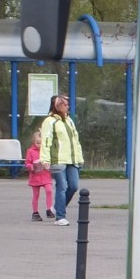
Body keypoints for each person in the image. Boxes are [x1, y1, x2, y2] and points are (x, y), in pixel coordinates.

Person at [39, 93, 85, 226]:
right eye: (64, 104)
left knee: (74, 186)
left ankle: (56, 207)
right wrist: (45, 159)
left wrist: (79, 158)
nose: (67, 106)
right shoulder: (50, 121)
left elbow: (75, 140)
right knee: (62, 186)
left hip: (72, 159)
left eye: (67, 104)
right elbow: (46, 141)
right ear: (57, 106)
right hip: (57, 160)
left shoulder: (69, 120)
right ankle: (60, 217)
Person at [24, 130, 54, 221]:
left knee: (49, 191)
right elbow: (27, 163)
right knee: (36, 195)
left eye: (41, 143)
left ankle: (49, 209)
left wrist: (48, 164)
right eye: (37, 143)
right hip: (35, 176)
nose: (39, 145)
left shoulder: (46, 151)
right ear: (34, 142)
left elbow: (50, 160)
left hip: (45, 175)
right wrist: (31, 167)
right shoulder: (30, 151)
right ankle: (35, 212)